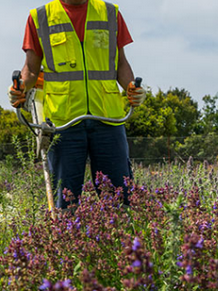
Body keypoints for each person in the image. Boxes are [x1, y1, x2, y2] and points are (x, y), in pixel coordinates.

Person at [8, 0, 146, 209]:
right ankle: (65, 238)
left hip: (108, 118)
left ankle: (125, 237)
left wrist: (131, 88)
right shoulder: (40, 17)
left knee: (120, 197)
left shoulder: (110, 13)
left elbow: (120, 63)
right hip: (64, 121)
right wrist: (19, 89)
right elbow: (31, 69)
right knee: (65, 199)